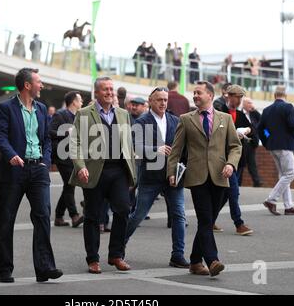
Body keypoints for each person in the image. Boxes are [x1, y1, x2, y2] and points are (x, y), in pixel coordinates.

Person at [0, 68, 63, 283]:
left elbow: (47, 139)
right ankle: (4, 269)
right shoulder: (6, 108)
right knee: (6, 219)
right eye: (39, 82)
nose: (41, 85)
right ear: (27, 85)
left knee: (42, 216)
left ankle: (44, 268)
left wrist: (46, 161)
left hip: (38, 170)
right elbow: (0, 135)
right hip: (14, 170)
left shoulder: (42, 109)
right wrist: (11, 155)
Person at [167, 81, 242, 277]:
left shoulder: (225, 119)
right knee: (205, 218)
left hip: (220, 176)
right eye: (194, 93)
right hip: (197, 177)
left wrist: (231, 164)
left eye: (199, 93)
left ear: (210, 95)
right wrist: (171, 172)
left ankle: (194, 260)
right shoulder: (186, 119)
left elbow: (235, 146)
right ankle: (212, 260)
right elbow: (176, 150)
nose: (195, 96)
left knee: (207, 222)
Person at [69, 76, 136, 274]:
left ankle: (116, 254)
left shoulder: (123, 114)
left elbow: (128, 145)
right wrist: (80, 166)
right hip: (93, 171)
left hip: (118, 172)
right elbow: (75, 143)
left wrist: (132, 174)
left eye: (111, 89)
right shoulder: (83, 113)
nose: (109, 92)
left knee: (123, 210)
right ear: (96, 93)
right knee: (92, 216)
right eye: (105, 89)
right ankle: (93, 259)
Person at [126, 86, 188, 268]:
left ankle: (177, 255)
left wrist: (180, 169)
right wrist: (155, 150)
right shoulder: (141, 122)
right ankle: (118, 247)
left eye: (165, 100)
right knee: (138, 215)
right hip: (150, 177)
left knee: (179, 215)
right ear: (150, 101)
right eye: (159, 99)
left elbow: (182, 148)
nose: (163, 103)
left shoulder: (175, 120)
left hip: (173, 177)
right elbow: (135, 147)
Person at [258, 86, 294, 216]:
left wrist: (266, 142)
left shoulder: (267, 110)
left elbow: (259, 128)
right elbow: (292, 123)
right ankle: (271, 200)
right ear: (285, 95)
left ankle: (288, 206)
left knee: (283, 175)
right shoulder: (288, 107)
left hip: (273, 146)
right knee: (290, 174)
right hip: (285, 145)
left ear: (274, 95)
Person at [214, 85, 254, 235]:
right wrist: (233, 134)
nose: (239, 100)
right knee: (233, 192)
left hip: (239, 160)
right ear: (228, 96)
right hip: (225, 159)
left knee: (225, 194)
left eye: (240, 97)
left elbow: (253, 129)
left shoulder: (240, 114)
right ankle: (239, 223)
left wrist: (246, 130)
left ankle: (209, 220)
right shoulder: (220, 112)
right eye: (236, 97)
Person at [49, 91, 84, 227]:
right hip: (62, 155)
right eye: (80, 100)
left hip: (74, 155)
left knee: (69, 185)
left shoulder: (79, 117)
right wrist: (65, 132)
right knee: (70, 184)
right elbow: (49, 131)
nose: (81, 103)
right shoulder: (60, 114)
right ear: (74, 102)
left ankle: (58, 216)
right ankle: (74, 216)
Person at [241, 97, 263, 187]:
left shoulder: (253, 114)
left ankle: (256, 181)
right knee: (241, 164)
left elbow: (262, 120)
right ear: (244, 104)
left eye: (251, 103)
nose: (251, 105)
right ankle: (238, 183)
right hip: (243, 142)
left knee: (252, 163)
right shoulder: (240, 113)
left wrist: (255, 110)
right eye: (249, 103)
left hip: (252, 143)